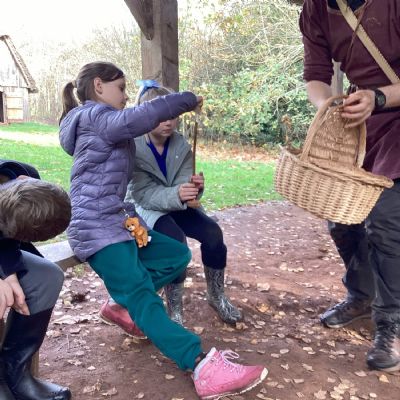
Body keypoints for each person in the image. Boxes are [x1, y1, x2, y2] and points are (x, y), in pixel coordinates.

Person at [59, 61, 267, 399]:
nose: (125, 97)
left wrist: (134, 217)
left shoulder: (104, 123)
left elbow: (112, 185)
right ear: (98, 86)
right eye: (121, 88)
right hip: (96, 229)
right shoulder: (96, 116)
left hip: (114, 220)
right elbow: (142, 117)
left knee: (175, 254)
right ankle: (199, 365)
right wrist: (187, 99)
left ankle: (120, 306)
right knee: (143, 295)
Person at [299, 0, 400, 371]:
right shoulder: (315, 9)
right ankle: (362, 297)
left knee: (385, 219)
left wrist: (378, 97)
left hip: (394, 114)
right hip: (361, 122)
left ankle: (391, 324)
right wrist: (328, 106)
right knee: (341, 215)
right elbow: (316, 75)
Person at [100, 81, 241, 327]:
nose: (168, 122)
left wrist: (195, 187)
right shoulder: (133, 147)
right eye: (161, 117)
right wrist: (178, 193)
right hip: (148, 209)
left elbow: (183, 184)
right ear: (146, 117)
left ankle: (216, 295)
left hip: (176, 204)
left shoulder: (181, 144)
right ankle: (174, 308)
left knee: (213, 233)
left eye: (173, 116)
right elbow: (142, 194)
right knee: (176, 243)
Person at [0, 159, 72, 400]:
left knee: (47, 277)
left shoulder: (27, 178)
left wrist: (9, 274)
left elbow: (8, 237)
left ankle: (14, 371)